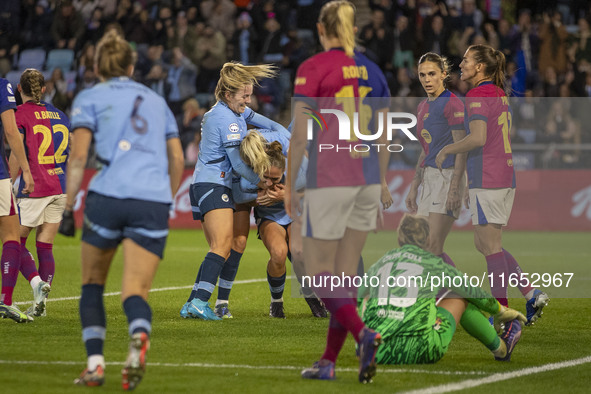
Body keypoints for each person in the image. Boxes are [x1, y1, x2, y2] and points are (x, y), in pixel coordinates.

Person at [58, 30, 184, 389]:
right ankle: (139, 334)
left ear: (96, 66)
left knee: (93, 285)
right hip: (152, 202)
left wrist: (68, 208)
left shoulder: (89, 96)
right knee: (135, 291)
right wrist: (165, 197)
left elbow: (79, 156)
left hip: (108, 198)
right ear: (131, 65)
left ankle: (96, 365)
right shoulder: (157, 101)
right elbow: (177, 157)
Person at [286, 0, 391, 383]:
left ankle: (364, 334)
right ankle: (329, 361)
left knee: (317, 274)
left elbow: (300, 134)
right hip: (366, 179)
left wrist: (288, 185)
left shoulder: (313, 68)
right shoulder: (374, 70)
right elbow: (383, 135)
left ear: (320, 28)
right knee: (344, 278)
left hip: (330, 177)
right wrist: (380, 183)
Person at [435, 44, 548, 325]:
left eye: (466, 60)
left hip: (488, 177)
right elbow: (504, 131)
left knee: (490, 247)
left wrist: (448, 149)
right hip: (502, 175)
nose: (461, 64)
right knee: (485, 244)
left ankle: (503, 315)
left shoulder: (476, 94)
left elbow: (478, 138)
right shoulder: (498, 93)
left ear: (480, 67)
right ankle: (531, 293)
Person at [179, 62, 289, 321]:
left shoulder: (236, 112)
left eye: (249, 95)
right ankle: (200, 302)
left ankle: (193, 302)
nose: (248, 101)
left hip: (210, 184)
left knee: (225, 246)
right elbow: (238, 164)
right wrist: (263, 183)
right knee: (222, 245)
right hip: (213, 184)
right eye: (244, 96)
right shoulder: (224, 118)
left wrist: (279, 136)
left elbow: (277, 128)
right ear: (228, 95)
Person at [358, 214, 526, 364]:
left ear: (399, 239)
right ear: (428, 241)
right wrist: (500, 310)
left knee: (366, 297)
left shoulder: (382, 263)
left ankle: (371, 338)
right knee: (459, 296)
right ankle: (501, 349)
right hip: (422, 350)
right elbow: (472, 291)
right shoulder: (434, 263)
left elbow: (355, 299)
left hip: (376, 351)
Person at [235, 130, 327, 319]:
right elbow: (239, 197)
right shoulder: (252, 173)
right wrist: (257, 198)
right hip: (270, 217)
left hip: (294, 213)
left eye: (275, 179)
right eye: (265, 177)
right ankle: (276, 302)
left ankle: (311, 297)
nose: (269, 182)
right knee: (279, 253)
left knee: (300, 254)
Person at [8, 69, 70, 318]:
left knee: (13, 241)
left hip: (35, 188)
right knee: (45, 246)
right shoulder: (61, 115)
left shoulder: (20, 114)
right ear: (44, 90)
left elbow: (15, 152)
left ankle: (35, 283)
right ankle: (40, 306)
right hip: (60, 186)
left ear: (19, 89)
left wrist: (9, 184)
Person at [405, 53, 466, 268]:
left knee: (433, 244)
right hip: (429, 177)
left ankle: (455, 296)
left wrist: (455, 187)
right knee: (423, 245)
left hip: (448, 175)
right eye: (422, 75)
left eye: (432, 74)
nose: (427, 79)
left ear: (444, 74)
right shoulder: (423, 107)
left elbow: (462, 148)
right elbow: (425, 150)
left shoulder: (452, 104)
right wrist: (414, 185)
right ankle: (462, 294)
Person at [0, 77, 35, 323]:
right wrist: (25, 169)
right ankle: (6, 301)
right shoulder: (3, 85)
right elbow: (12, 131)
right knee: (12, 235)